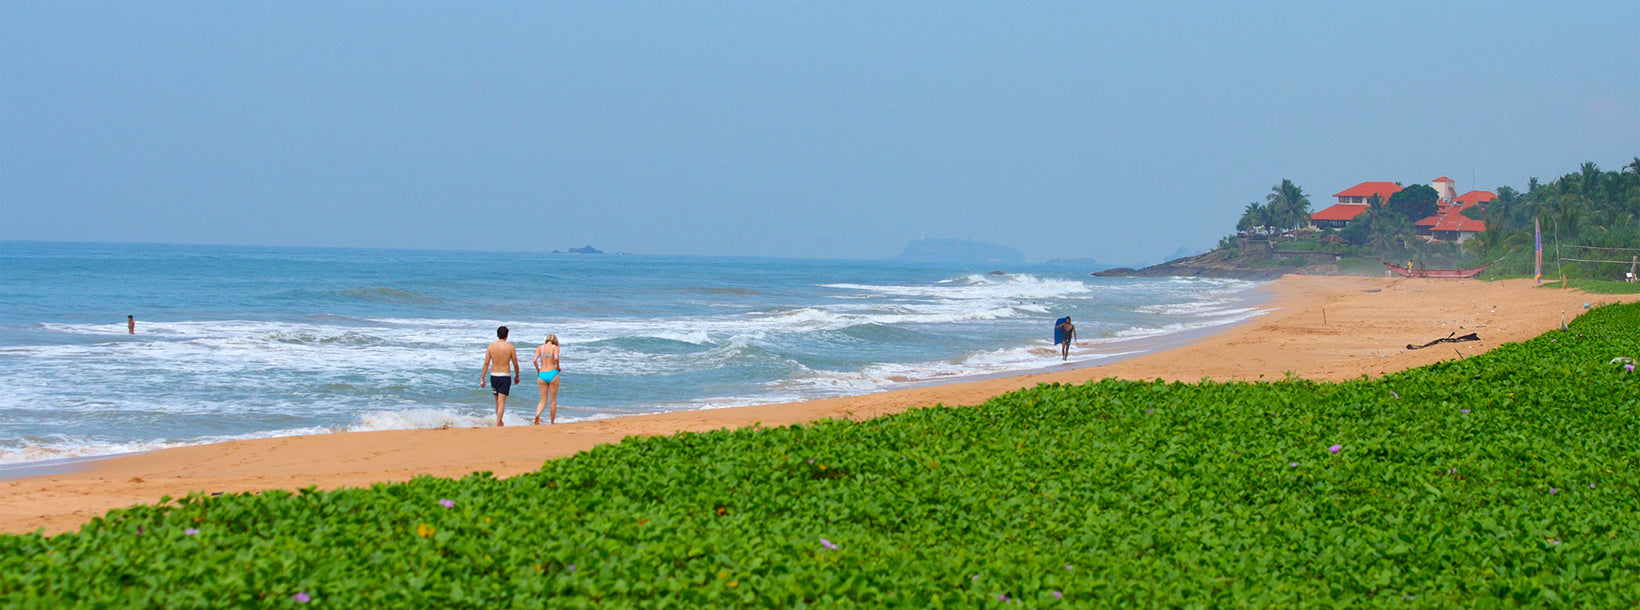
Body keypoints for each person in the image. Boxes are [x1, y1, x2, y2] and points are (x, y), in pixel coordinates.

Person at [480, 326, 519, 426]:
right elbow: (515, 364)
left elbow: (486, 363)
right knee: (501, 401)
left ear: (497, 335)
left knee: (497, 400)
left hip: (494, 376)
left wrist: (482, 378)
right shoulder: (510, 347)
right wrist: (517, 375)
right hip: (505, 375)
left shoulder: (491, 347)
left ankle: (499, 421)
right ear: (507, 335)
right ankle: (498, 422)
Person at [532, 335, 562, 425]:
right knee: (553, 400)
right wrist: (558, 367)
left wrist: (538, 369)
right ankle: (552, 421)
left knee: (542, 400)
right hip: (552, 373)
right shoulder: (555, 348)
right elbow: (556, 358)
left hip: (542, 374)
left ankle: (537, 415)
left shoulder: (539, 348)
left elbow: (534, 360)